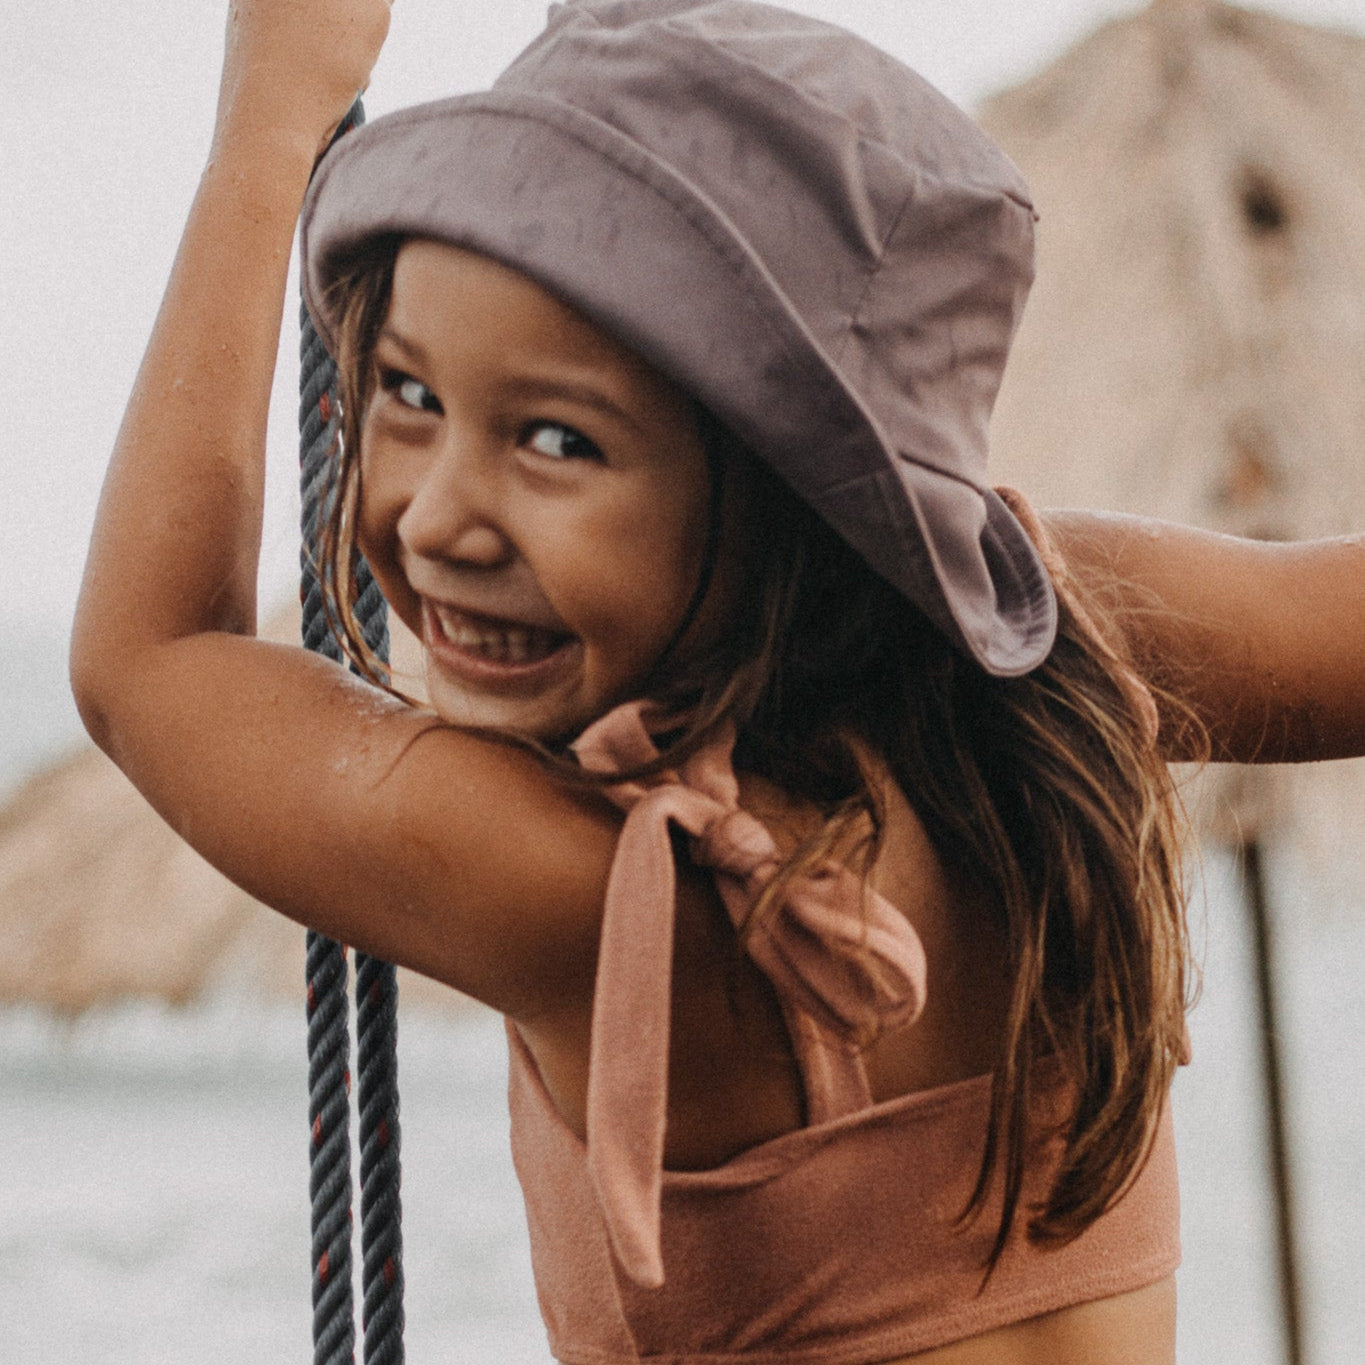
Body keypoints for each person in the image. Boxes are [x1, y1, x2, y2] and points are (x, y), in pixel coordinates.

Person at [70, 1, 1365, 1361]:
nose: (440, 515)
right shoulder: (1049, 639)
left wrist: (270, 120)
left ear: (787, 489)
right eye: (407, 392)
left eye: (557, 440)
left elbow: (151, 660)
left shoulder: (590, 887)